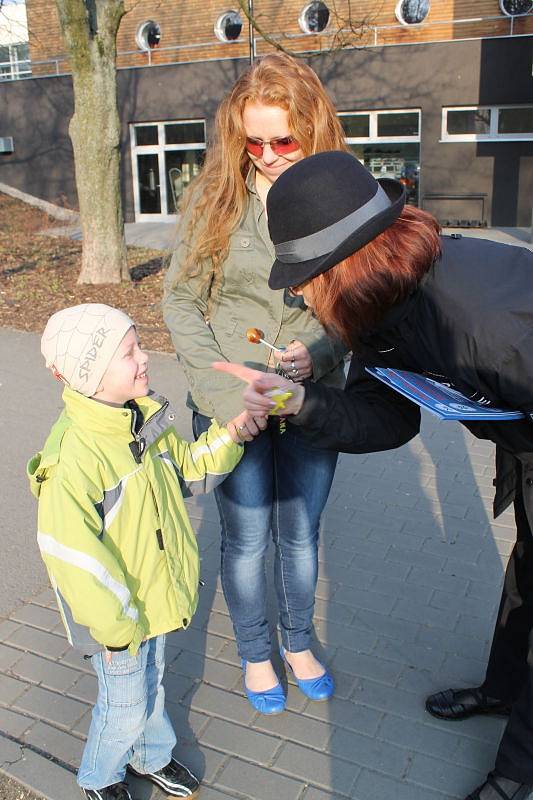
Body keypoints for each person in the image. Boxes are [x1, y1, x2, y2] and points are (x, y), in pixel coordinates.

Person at [214, 151, 533, 800]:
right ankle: (501, 690)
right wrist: (300, 404)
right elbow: (387, 419)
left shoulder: (489, 325)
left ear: (348, 263)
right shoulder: (374, 311)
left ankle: (516, 776)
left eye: (305, 276)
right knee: (526, 575)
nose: (297, 291)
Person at [162, 53, 348, 714]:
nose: (267, 154)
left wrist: (318, 355)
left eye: (283, 140)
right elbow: (179, 306)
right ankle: (254, 652)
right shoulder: (218, 198)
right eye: (254, 140)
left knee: (299, 534)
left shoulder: (341, 202)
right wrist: (221, 404)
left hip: (310, 403)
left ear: (313, 127)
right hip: (230, 404)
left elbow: (359, 308)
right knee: (244, 539)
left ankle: (296, 642)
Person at [29, 303, 244, 800]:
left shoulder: (145, 418)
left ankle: (150, 757)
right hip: (117, 621)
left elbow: (189, 470)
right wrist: (118, 628)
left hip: (156, 595)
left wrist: (230, 434)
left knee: (153, 685)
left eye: (139, 345)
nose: (145, 358)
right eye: (129, 353)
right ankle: (99, 778)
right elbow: (73, 555)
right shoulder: (74, 458)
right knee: (122, 704)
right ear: (93, 375)